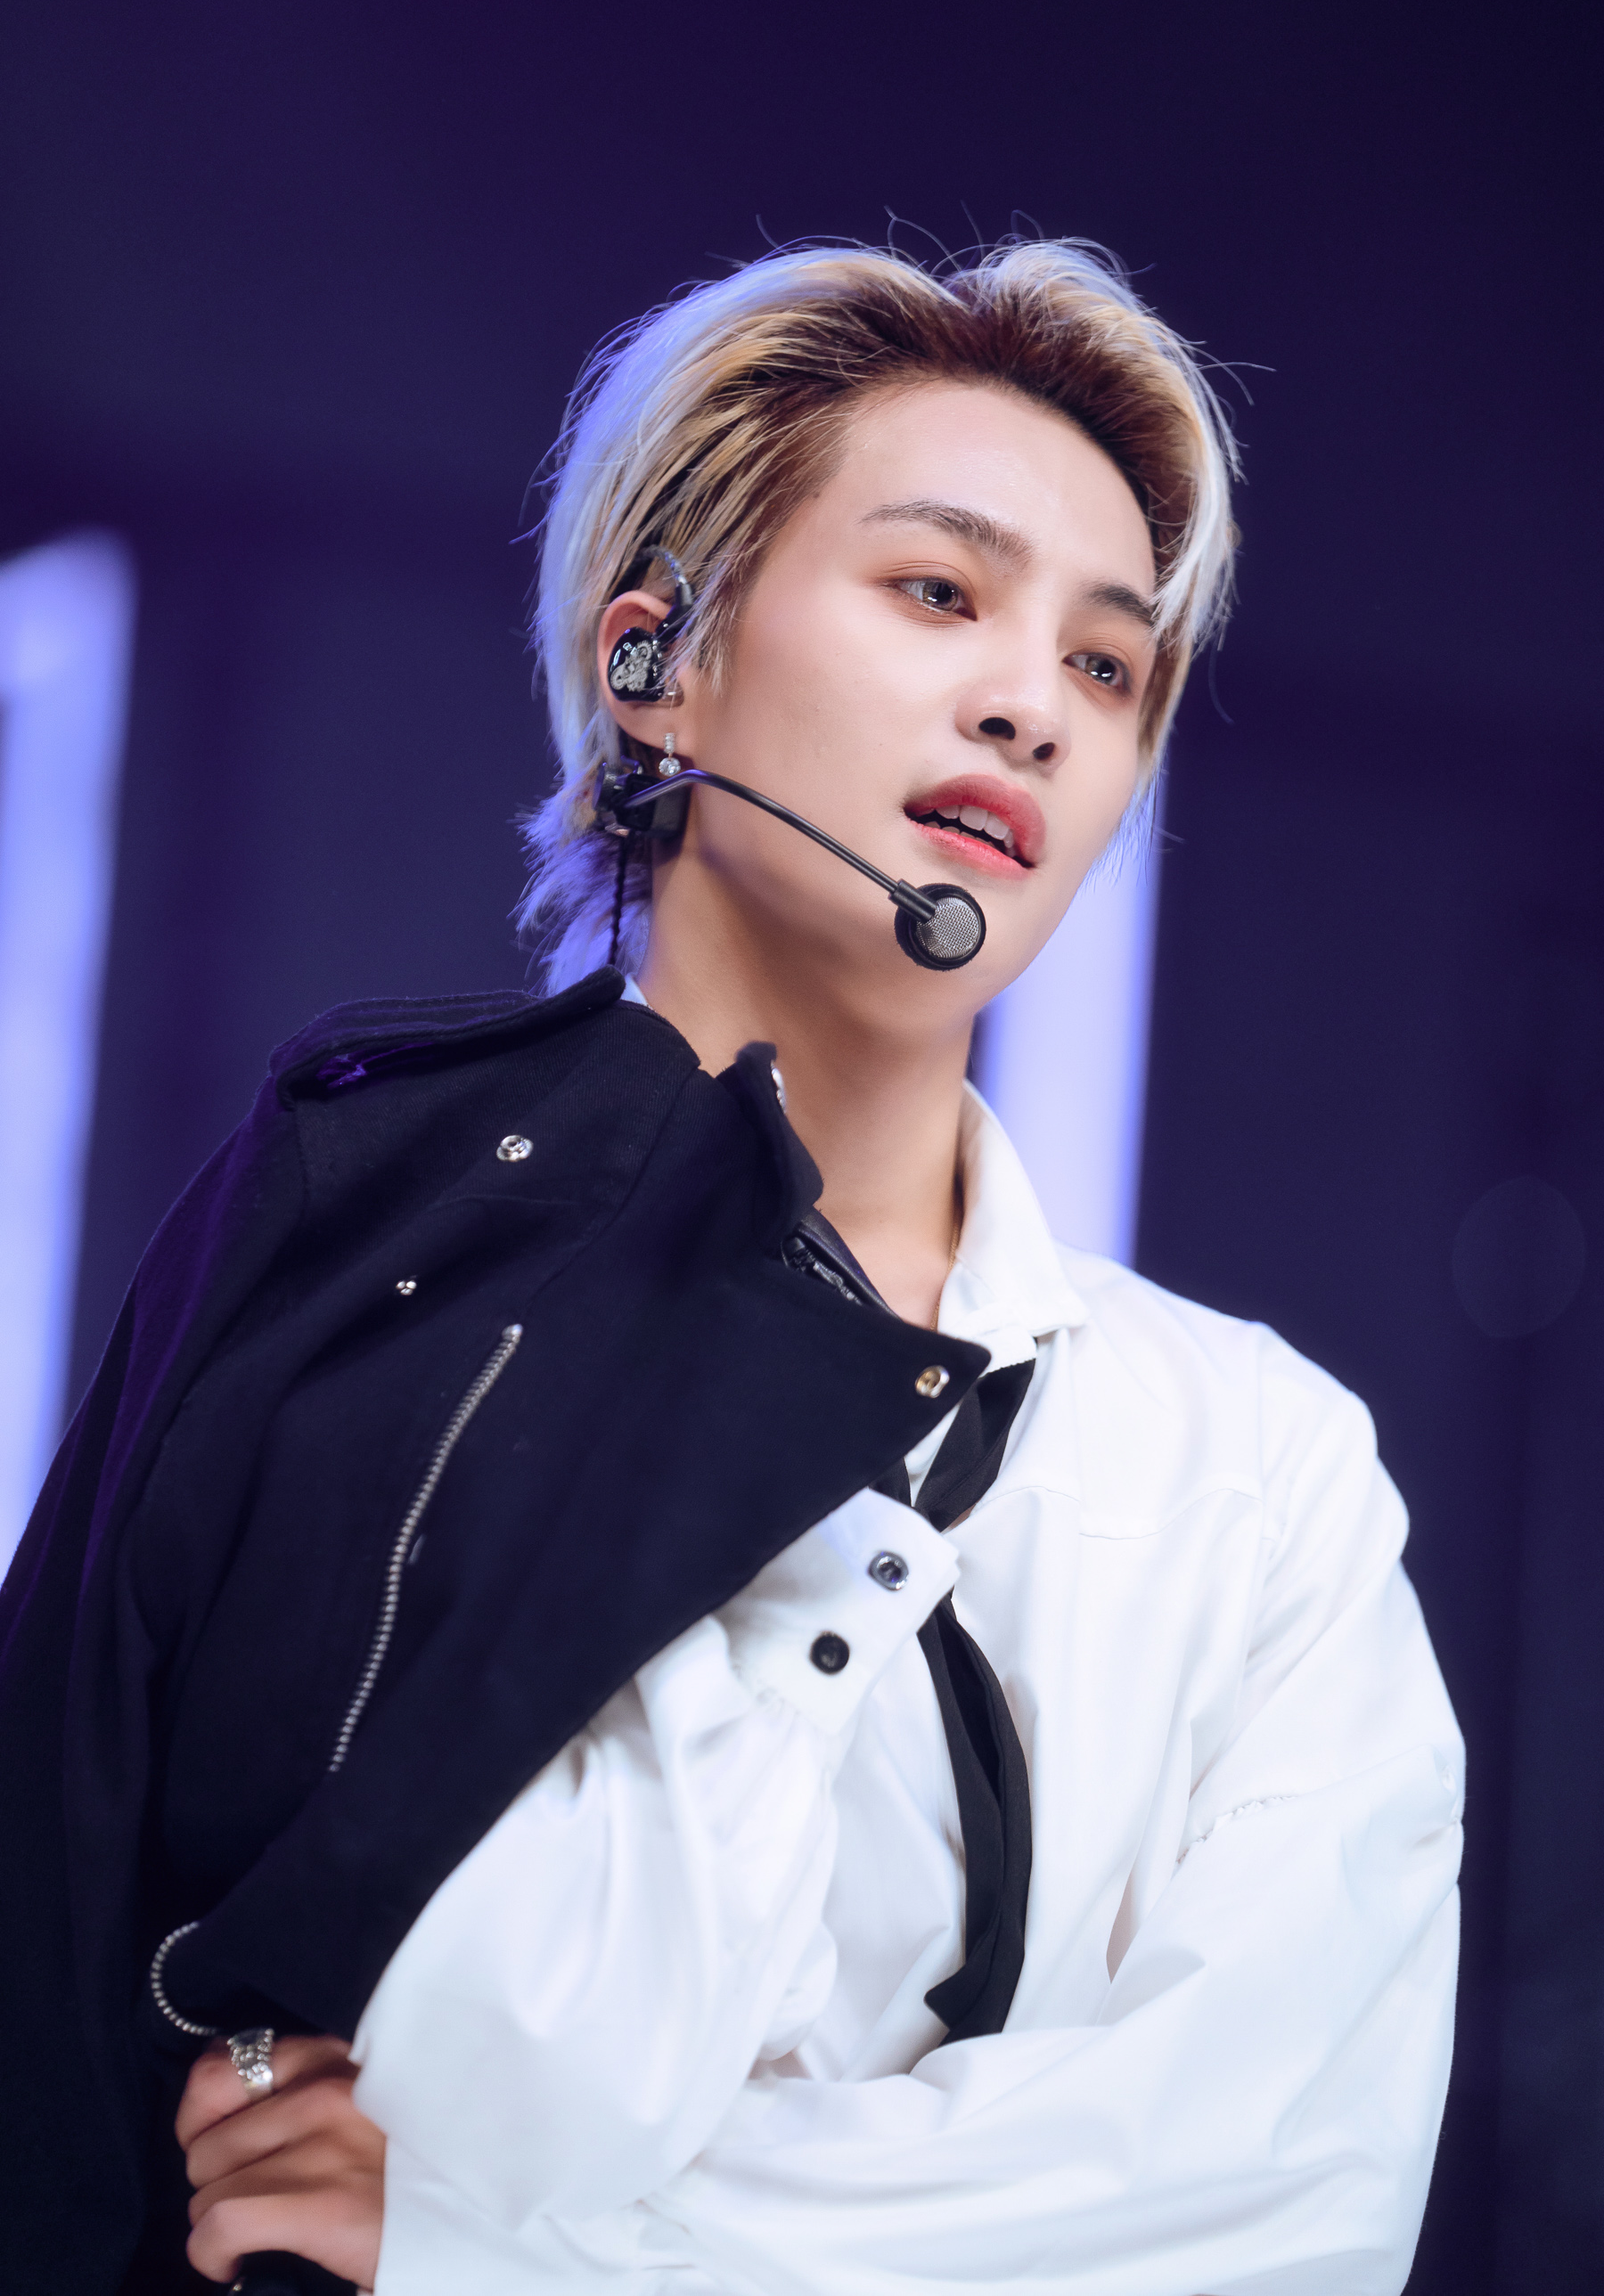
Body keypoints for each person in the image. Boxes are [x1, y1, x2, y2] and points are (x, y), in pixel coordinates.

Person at [0, 242, 1462, 2296]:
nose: (1029, 706)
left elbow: (1277, 2197)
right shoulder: (364, 1255)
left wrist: (514, 2255)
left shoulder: (1253, 1468)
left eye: (1107, 667)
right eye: (938, 591)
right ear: (654, 659)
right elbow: (102, 1987)